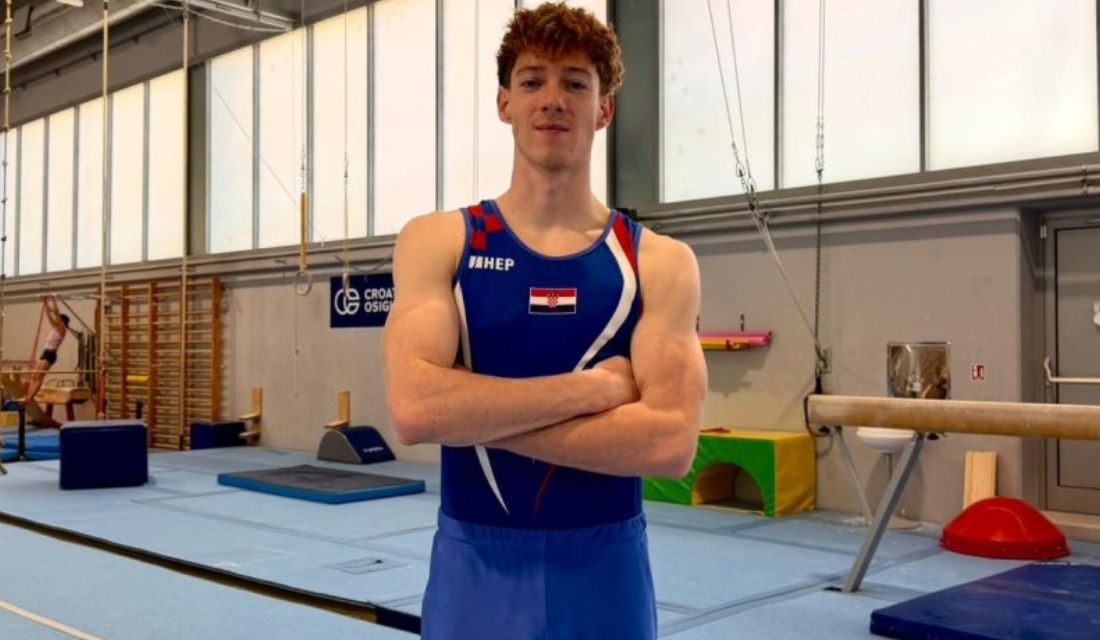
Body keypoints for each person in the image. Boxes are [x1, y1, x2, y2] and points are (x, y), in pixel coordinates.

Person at [383, 3, 706, 638]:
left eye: (575, 83)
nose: (552, 99)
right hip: (476, 567)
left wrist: (476, 416)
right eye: (532, 81)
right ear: (505, 103)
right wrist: (595, 391)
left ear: (604, 108)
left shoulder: (658, 262)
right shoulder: (441, 241)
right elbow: (416, 410)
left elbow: (669, 445)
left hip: (605, 570)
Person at [20, 296, 70, 404]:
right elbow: (50, 316)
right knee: (34, 376)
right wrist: (46, 304)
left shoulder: (62, 330)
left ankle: (29, 398)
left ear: (63, 322)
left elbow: (56, 313)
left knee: (39, 377)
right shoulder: (55, 328)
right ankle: (27, 396)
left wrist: (54, 300)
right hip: (45, 352)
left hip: (50, 354)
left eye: (60, 321)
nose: (57, 321)